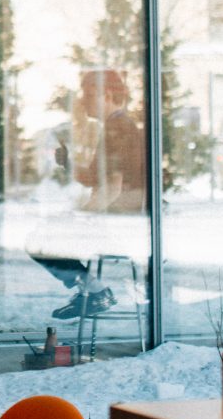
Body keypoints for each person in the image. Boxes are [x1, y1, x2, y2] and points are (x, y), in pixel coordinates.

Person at [31, 67, 146, 321]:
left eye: (88, 94)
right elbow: (96, 179)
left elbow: (112, 189)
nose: (82, 101)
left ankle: (94, 291)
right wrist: (69, 164)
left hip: (121, 224)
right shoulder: (115, 127)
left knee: (40, 241)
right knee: (44, 236)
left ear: (106, 94)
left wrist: (81, 216)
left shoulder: (119, 130)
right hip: (120, 219)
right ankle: (91, 290)